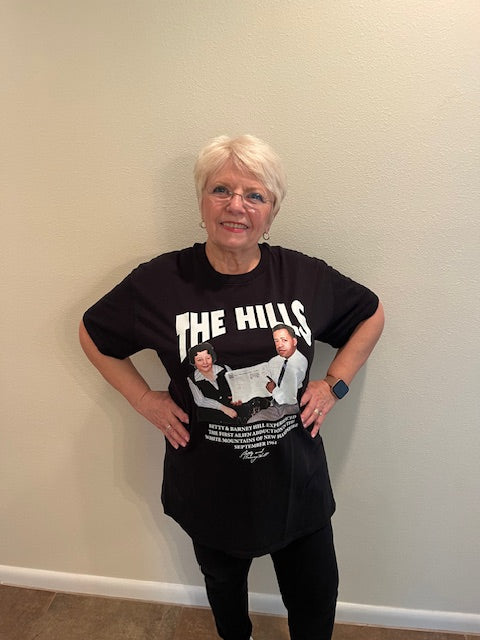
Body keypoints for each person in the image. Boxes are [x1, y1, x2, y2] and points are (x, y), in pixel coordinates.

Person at [79, 134, 384, 640]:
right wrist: (143, 398)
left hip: (296, 483)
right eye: (221, 189)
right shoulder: (160, 282)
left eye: (254, 195)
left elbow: (370, 314)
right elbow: (94, 333)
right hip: (209, 488)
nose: (236, 205)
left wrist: (334, 385)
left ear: (272, 211)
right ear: (202, 202)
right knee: (225, 598)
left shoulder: (303, 276)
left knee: (314, 599)